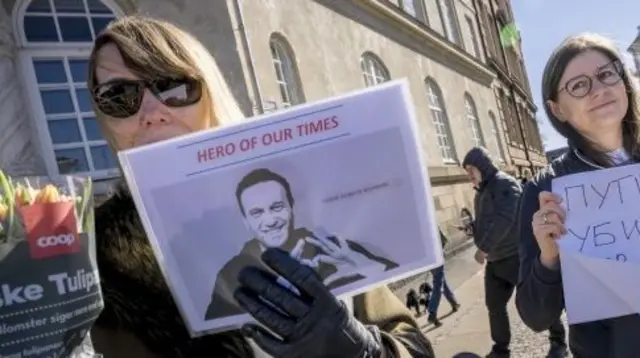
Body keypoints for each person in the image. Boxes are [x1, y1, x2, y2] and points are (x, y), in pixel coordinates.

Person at [87, 15, 435, 358]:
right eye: (118, 96)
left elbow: (414, 347)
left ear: (210, 92)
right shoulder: (86, 258)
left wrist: (361, 350)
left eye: (172, 86)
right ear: (105, 119)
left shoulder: (310, 220)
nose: (151, 111)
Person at [516, 32, 640, 357]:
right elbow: (535, 316)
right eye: (579, 85)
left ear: (623, 81)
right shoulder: (545, 189)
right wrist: (548, 258)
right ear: (558, 109)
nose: (599, 89)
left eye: (606, 74)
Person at [205, 167, 399, 320]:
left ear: (292, 208)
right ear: (245, 221)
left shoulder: (333, 249)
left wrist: (365, 266)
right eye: (257, 213)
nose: (270, 220)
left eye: (277, 207)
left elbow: (400, 320)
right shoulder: (232, 272)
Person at [462, 146, 567, 358]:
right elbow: (487, 221)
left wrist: (483, 247)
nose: (469, 176)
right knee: (494, 306)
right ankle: (501, 350)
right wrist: (473, 229)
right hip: (496, 260)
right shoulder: (481, 192)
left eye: (471, 170)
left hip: (514, 256)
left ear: (481, 167)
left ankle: (559, 343)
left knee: (538, 297)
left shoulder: (504, 183)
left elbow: (507, 218)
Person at [426, 228, 460, 327]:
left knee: (440, 280)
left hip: (428, 260)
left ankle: (454, 303)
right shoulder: (430, 222)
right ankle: (432, 313)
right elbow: (444, 239)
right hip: (437, 258)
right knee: (438, 284)